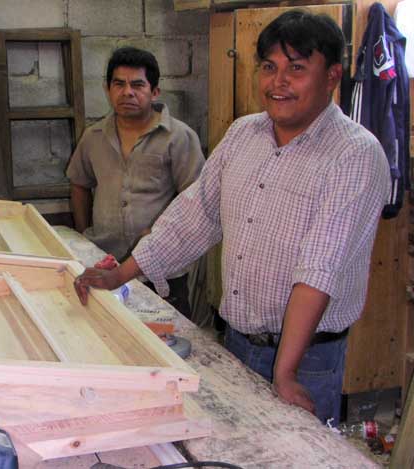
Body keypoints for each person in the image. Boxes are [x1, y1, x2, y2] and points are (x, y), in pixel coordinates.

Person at [72, 10, 391, 426]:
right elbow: (194, 215)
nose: (278, 82)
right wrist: (121, 275)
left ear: (331, 76)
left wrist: (285, 371)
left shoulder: (354, 155)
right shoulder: (244, 134)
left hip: (308, 358)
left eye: (296, 68)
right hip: (237, 342)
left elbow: (320, 269)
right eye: (269, 67)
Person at [66, 47, 205, 318]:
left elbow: (194, 200)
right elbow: (79, 184)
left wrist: (155, 234)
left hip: (161, 270)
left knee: (168, 341)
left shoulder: (178, 137)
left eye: (137, 85)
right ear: (107, 89)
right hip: (103, 261)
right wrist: (85, 236)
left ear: (154, 92)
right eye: (119, 84)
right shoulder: (93, 136)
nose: (127, 92)